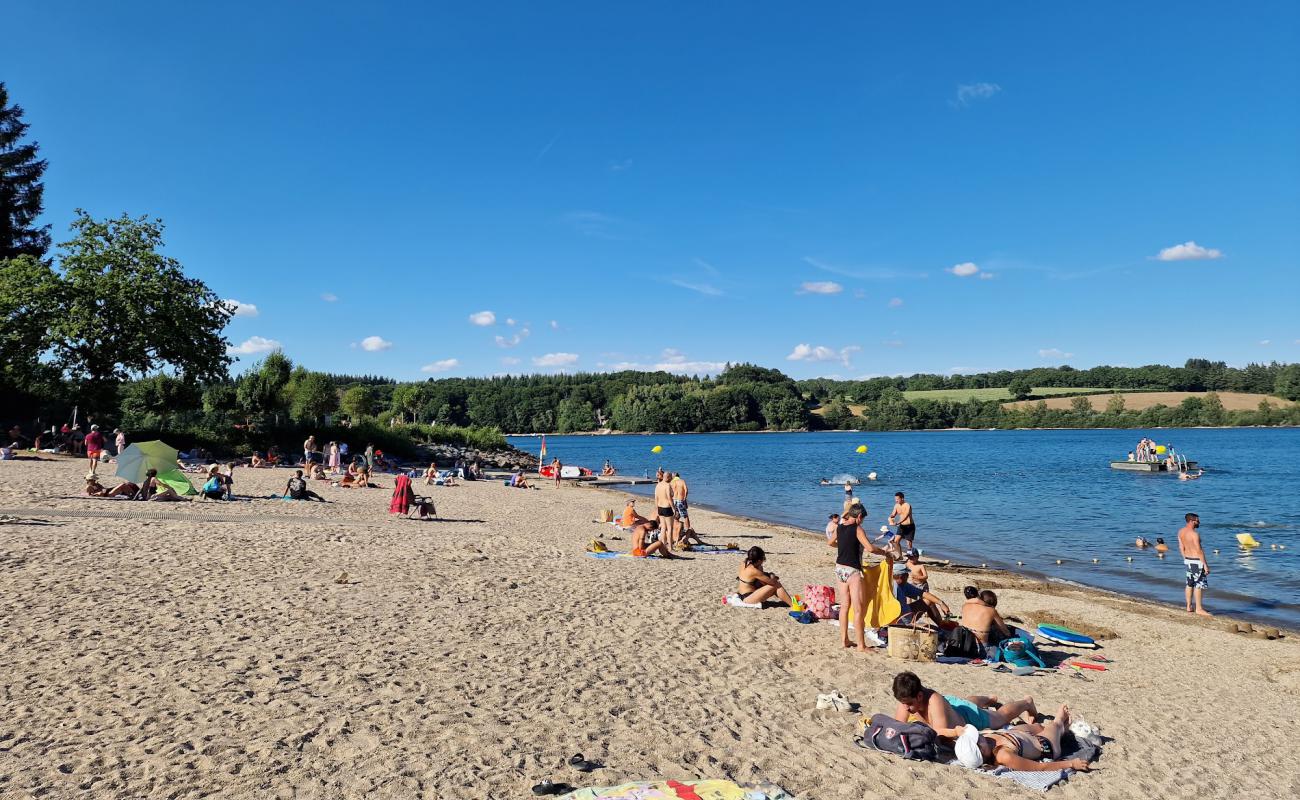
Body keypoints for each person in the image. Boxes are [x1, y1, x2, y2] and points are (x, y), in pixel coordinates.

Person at [891, 671, 1038, 739]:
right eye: (903, 704)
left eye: (909, 704)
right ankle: (989, 699)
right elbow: (896, 727)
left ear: (920, 696)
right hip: (951, 707)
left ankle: (1026, 702)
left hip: (966, 717)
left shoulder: (934, 701)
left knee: (1001, 717)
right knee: (964, 703)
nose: (905, 708)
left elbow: (940, 733)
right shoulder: (906, 699)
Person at [954, 705, 1091, 773]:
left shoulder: (985, 741)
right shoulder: (1004, 755)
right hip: (1044, 745)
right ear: (982, 752)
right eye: (977, 740)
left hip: (1018, 736)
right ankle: (1060, 727)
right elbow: (1039, 768)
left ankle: (1061, 731)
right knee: (1055, 723)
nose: (978, 736)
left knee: (1037, 725)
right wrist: (1071, 764)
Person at [829, 506, 891, 652]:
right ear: (859, 516)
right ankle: (861, 646)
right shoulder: (857, 529)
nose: (862, 522)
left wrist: (843, 546)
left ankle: (844, 640)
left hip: (839, 569)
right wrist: (885, 553)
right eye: (863, 519)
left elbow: (830, 543)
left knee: (844, 607)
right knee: (858, 610)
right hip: (852, 571)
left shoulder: (839, 527)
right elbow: (870, 548)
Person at [1178, 512, 1211, 616]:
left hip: (1188, 560)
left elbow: (1181, 547)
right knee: (1198, 585)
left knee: (1189, 583)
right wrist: (1205, 565)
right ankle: (1199, 609)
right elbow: (1199, 551)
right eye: (1197, 520)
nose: (1199, 522)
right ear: (1192, 521)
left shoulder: (1181, 532)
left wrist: (1185, 559)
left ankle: (1188, 606)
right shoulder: (1194, 534)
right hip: (1196, 561)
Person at [654, 472, 676, 547]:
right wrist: (673, 508)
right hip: (667, 507)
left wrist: (656, 508)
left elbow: (656, 498)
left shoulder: (658, 485)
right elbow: (669, 498)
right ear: (668, 477)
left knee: (663, 527)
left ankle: (662, 544)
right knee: (670, 528)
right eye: (670, 478)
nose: (671, 479)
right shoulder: (667, 485)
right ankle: (670, 547)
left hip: (660, 507)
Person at [670, 471, 690, 542]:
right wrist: (685, 498)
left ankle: (676, 529)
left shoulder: (671, 482)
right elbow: (686, 490)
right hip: (680, 500)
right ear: (678, 476)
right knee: (685, 516)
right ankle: (688, 530)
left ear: (673, 477)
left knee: (676, 515)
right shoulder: (682, 481)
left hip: (674, 500)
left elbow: (670, 492)